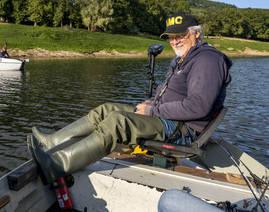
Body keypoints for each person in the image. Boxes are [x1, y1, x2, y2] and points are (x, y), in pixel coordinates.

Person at [28, 11, 232, 184]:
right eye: (171, 37)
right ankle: (52, 142)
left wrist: (152, 111)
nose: (175, 41)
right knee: (106, 110)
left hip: (183, 129)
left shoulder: (207, 60)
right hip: (166, 118)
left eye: (181, 35)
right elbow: (172, 94)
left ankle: (56, 166)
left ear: (196, 33)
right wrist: (151, 102)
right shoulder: (182, 58)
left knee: (118, 122)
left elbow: (198, 106)